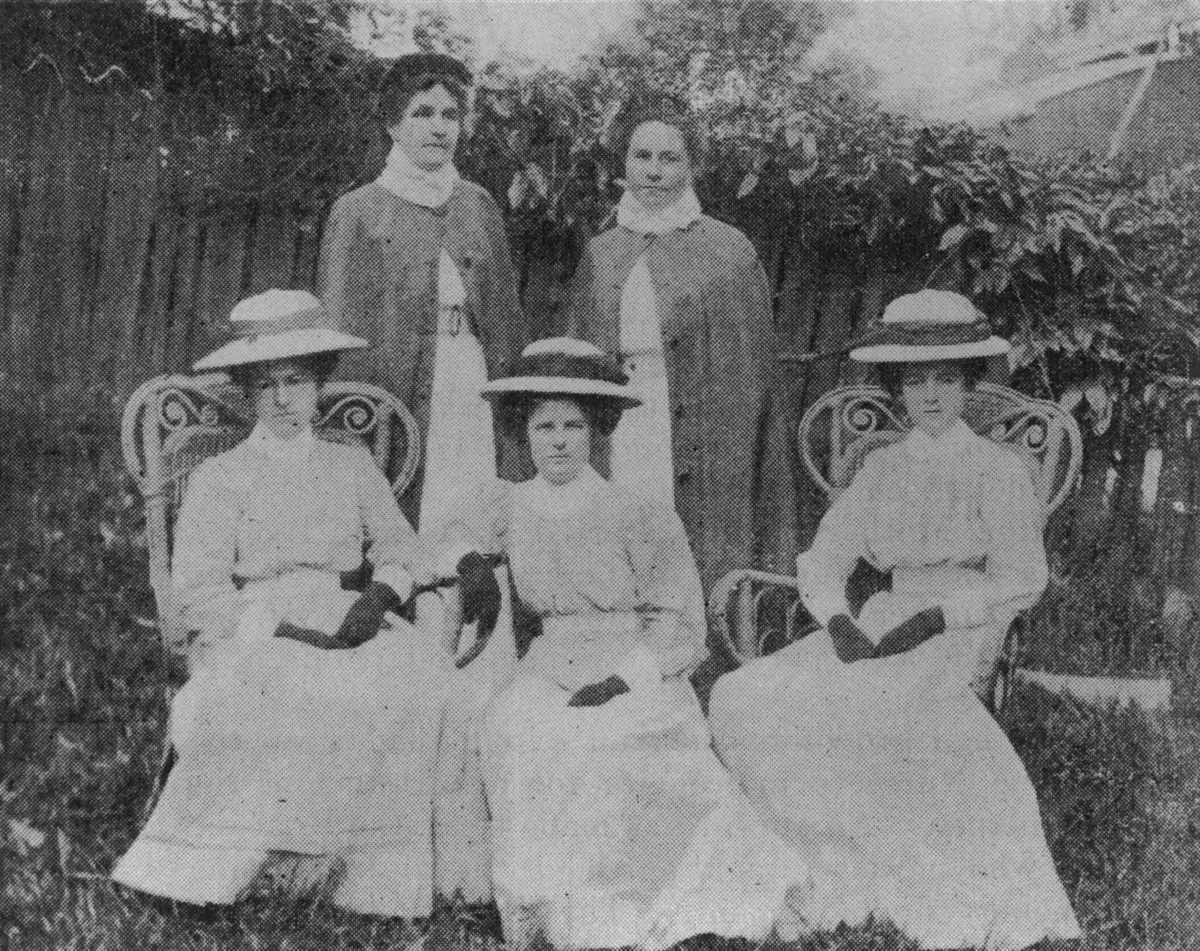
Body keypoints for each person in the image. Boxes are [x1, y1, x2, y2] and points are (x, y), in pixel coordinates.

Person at [708, 290, 1082, 950]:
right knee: (748, 694)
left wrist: (945, 613)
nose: (931, 395)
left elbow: (1023, 577)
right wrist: (839, 621)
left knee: (882, 706)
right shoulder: (881, 468)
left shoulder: (996, 470)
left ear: (967, 383)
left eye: (944, 379)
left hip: (962, 625)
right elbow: (824, 563)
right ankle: (821, 864)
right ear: (897, 388)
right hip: (882, 618)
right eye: (915, 381)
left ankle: (890, 877)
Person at [111, 289, 501, 916]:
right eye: (266, 386)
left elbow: (400, 547)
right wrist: (279, 627)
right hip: (257, 624)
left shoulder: (349, 465)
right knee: (283, 684)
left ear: (319, 383)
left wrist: (390, 591)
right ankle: (258, 867)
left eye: (296, 381)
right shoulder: (221, 478)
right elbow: (200, 593)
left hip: (347, 613)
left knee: (415, 677)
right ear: (248, 392)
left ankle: (371, 878)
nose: (284, 399)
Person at [438, 338, 813, 951]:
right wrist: (473, 563)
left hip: (634, 664)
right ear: (523, 433)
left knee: (605, 740)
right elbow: (450, 541)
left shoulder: (636, 514)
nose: (557, 440)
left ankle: (629, 901)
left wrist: (621, 679)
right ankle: (554, 908)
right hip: (550, 663)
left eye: (573, 425)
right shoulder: (508, 502)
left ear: (597, 432)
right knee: (515, 729)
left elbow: (679, 622)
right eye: (543, 426)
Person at [566, 92, 784, 588]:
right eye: (642, 157)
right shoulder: (602, 252)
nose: (655, 171)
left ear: (692, 167)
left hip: (698, 425)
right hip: (621, 420)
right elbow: (579, 360)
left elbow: (750, 373)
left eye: (670, 158)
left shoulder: (727, 249)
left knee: (688, 537)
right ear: (624, 163)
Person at [318, 51, 528, 536]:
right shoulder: (359, 212)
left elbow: (507, 323)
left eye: (450, 115)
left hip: (472, 384)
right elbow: (340, 331)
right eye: (423, 114)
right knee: (412, 513)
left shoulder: (477, 206)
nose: (439, 128)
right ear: (393, 126)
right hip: (400, 392)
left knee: (476, 510)